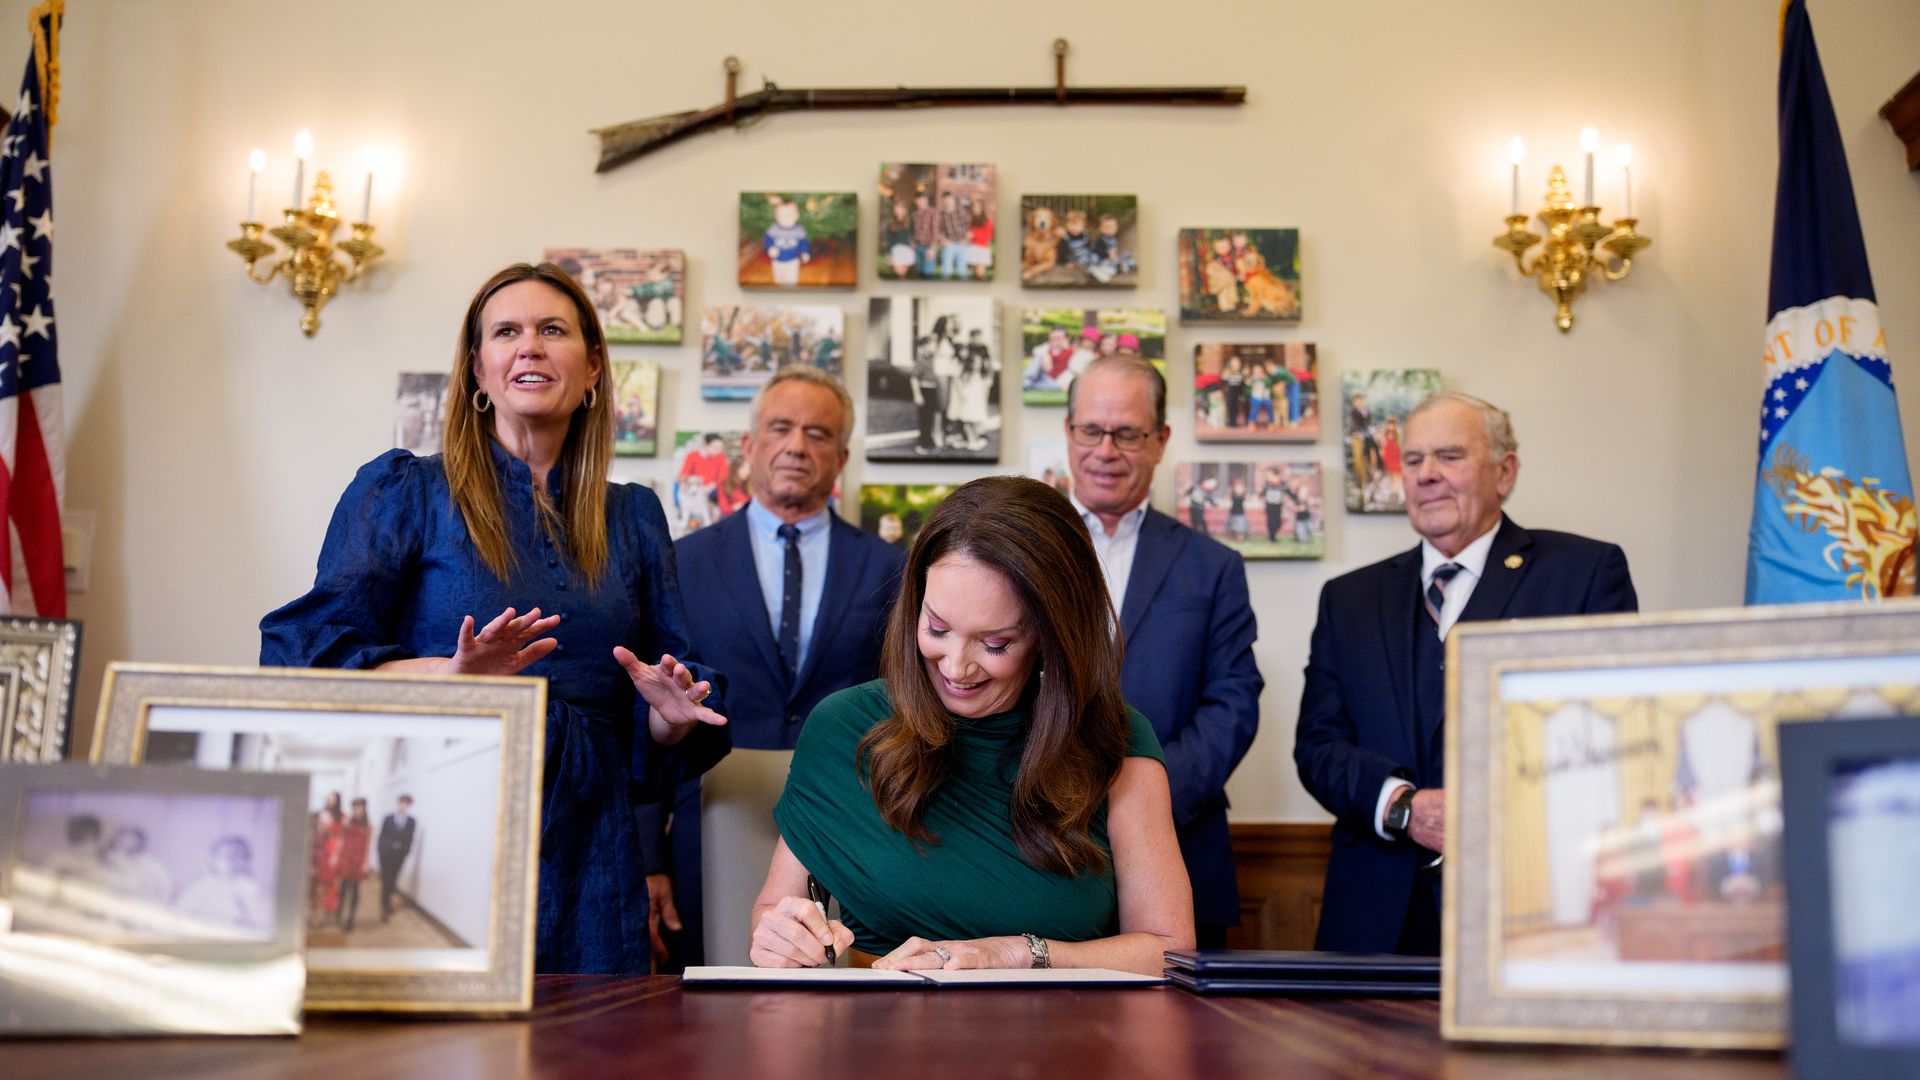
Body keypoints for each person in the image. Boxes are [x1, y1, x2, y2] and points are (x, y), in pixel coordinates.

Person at [259, 262, 731, 974]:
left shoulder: (634, 514)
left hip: (592, 846)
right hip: (441, 819)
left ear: (594, 366)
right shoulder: (404, 491)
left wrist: (670, 712)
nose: (530, 346)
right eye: (506, 332)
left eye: (553, 330)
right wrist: (449, 675)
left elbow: (667, 694)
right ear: (479, 371)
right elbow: (305, 653)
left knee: (588, 1049)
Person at [750, 475, 1194, 975]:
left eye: (996, 644)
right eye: (937, 628)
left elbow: (1169, 950)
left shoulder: (1115, 740)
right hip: (875, 1032)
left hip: (1063, 1037)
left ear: (1053, 636)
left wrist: (1018, 953)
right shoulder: (841, 729)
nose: (956, 667)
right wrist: (780, 938)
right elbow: (775, 910)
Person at [1294, 392, 1638, 955]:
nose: (1426, 475)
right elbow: (1317, 747)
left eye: (1449, 456)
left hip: (1529, 906)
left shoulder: (1584, 574)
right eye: (1413, 460)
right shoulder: (1348, 599)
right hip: (1374, 919)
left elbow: (1611, 735)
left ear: (1505, 472)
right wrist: (1403, 807)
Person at [659, 368, 906, 970]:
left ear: (842, 456)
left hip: (857, 826)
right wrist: (647, 857)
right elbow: (652, 707)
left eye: (818, 433)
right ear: (748, 447)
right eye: (780, 428)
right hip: (709, 826)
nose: (797, 445)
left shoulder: (892, 567)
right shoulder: (682, 562)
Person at [1063, 355, 1264, 949]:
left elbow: (1233, 704)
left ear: (1160, 440)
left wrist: (1137, 802)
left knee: (1179, 1043)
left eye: (1127, 433)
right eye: (1091, 431)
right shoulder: (1018, 551)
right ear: (1069, 432)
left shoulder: (1213, 567)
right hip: (1030, 850)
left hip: (1180, 849)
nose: (1106, 450)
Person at [175, 836, 267, 936]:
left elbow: (257, 919)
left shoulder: (249, 887)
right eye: (228, 857)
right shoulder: (203, 885)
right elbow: (181, 913)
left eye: (241, 857)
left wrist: (246, 919)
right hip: (204, 933)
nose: (234, 862)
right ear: (214, 860)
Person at [376, 795, 416, 924]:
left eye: (406, 804)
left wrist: (406, 852)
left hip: (399, 856)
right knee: (386, 880)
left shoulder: (411, 821)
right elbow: (381, 836)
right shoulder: (388, 818)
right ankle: (384, 909)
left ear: (409, 806)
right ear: (397, 804)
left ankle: (388, 903)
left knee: (393, 881)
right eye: (401, 803)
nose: (403, 806)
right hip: (386, 855)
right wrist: (380, 851)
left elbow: (410, 838)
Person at [337, 798, 374, 932]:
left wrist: (366, 862)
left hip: (358, 861)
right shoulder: (347, 823)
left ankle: (351, 918)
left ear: (364, 809)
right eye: (355, 807)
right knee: (343, 887)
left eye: (360, 807)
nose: (357, 810)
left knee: (355, 890)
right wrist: (339, 857)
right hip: (346, 858)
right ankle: (339, 913)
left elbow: (368, 846)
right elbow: (341, 840)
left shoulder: (368, 826)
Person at [763, 197, 811, 287]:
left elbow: (804, 243)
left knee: (791, 281)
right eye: (782, 216)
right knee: (778, 279)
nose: (786, 219)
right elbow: (767, 239)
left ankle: (790, 295)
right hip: (777, 261)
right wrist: (770, 247)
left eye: (789, 216)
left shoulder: (799, 230)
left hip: (793, 261)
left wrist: (805, 252)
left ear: (796, 216)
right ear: (776, 217)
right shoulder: (774, 229)